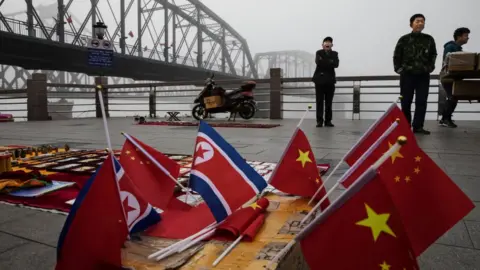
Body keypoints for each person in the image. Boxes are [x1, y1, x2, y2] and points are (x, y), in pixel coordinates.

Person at [393, 14, 437, 135]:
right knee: (406, 101)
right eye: (417, 21)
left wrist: (430, 67)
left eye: (422, 21)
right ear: (411, 24)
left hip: (423, 75)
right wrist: (399, 69)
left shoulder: (429, 39)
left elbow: (433, 55)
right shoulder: (404, 39)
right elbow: (397, 55)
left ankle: (418, 126)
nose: (420, 23)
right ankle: (406, 126)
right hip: (407, 75)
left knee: (421, 101)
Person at [439, 27, 470, 128]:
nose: (467, 38)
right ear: (459, 37)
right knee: (452, 97)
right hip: (448, 77)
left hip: (454, 77)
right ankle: (445, 119)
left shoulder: (458, 49)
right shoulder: (450, 47)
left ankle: (445, 118)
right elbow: (448, 62)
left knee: (454, 97)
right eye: (466, 36)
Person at [312, 36, 339, 127]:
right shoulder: (318, 52)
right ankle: (319, 121)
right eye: (326, 42)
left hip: (330, 81)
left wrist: (324, 61)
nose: (327, 43)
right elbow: (318, 62)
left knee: (329, 102)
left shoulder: (335, 53)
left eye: (329, 42)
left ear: (332, 45)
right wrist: (330, 61)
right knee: (319, 102)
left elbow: (336, 64)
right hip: (319, 81)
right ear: (322, 45)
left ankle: (328, 121)